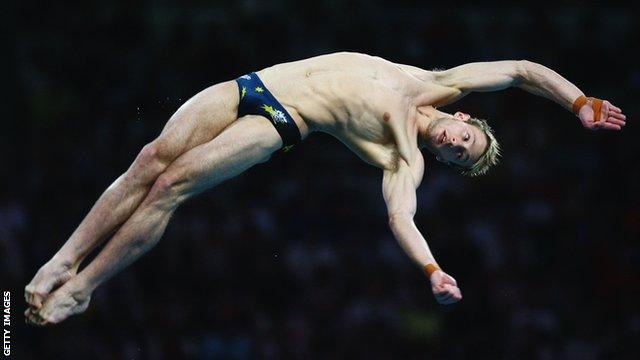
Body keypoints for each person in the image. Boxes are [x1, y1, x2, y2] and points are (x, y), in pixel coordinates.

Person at [24, 52, 626, 325]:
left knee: (171, 187)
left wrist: (431, 271)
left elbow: (403, 220)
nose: (449, 146)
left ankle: (83, 290)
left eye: (454, 158)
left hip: (281, 123)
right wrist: (578, 101)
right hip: (254, 82)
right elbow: (522, 72)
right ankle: (61, 263)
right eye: (460, 141)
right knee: (149, 160)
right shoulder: (437, 81)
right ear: (464, 119)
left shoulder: (404, 160)